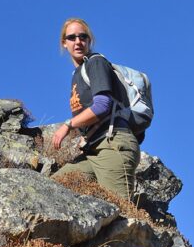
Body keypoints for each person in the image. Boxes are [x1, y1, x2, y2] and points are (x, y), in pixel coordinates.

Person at [52, 18, 140, 200]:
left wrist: (68, 125)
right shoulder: (77, 74)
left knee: (121, 212)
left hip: (113, 144)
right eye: (71, 37)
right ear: (64, 43)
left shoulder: (95, 62)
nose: (78, 42)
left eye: (83, 36)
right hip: (93, 150)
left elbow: (102, 105)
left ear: (89, 40)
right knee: (53, 187)